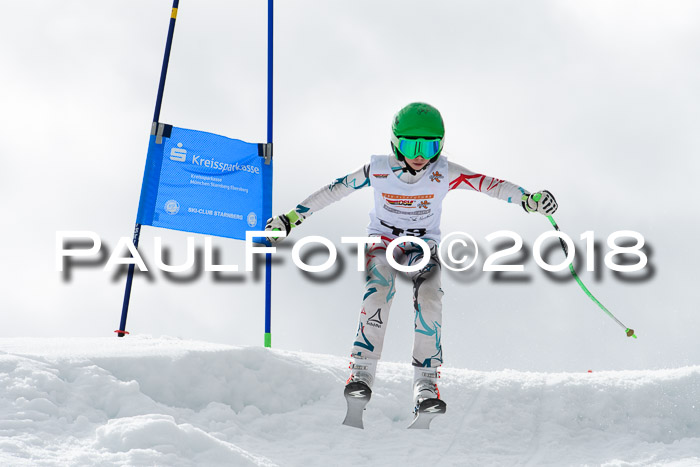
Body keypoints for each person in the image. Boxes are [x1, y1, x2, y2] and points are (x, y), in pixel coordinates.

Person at [265, 102, 557, 424]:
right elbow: (333, 191)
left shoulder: (443, 172)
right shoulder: (376, 170)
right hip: (383, 241)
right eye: (410, 145)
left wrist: (529, 200)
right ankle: (361, 372)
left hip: (422, 244)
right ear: (395, 144)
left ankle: (426, 386)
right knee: (378, 289)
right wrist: (290, 219)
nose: (420, 155)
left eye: (429, 146)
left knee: (430, 298)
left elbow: (490, 184)